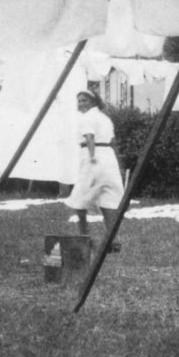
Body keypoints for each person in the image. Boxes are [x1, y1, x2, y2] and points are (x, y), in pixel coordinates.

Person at [63, 90, 125, 252]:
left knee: (79, 197)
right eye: (79, 101)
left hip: (93, 157)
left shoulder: (87, 118)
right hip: (108, 158)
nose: (80, 104)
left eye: (83, 101)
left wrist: (91, 157)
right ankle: (114, 239)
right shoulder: (105, 119)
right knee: (108, 198)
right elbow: (113, 142)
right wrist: (118, 164)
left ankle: (85, 237)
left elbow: (89, 138)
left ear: (93, 102)